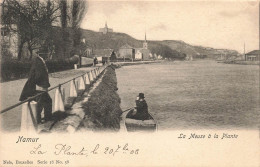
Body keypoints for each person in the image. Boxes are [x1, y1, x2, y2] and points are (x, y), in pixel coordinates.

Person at [19, 53, 52, 124]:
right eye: (46, 53)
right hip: (40, 86)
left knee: (47, 101)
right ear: (42, 54)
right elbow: (38, 75)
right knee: (40, 104)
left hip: (42, 86)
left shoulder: (40, 60)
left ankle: (47, 118)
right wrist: (40, 84)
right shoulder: (38, 61)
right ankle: (37, 120)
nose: (47, 55)